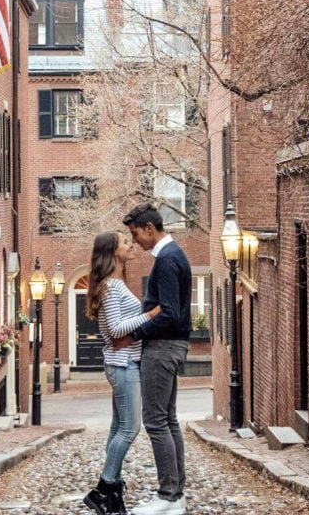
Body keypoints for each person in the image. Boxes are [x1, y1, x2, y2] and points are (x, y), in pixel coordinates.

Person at [116, 204, 192, 515]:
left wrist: (133, 335)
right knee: (168, 420)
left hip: (162, 349)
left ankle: (168, 496)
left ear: (150, 228)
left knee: (156, 421)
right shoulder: (174, 255)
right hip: (171, 347)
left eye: (135, 235)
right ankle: (176, 493)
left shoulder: (166, 260)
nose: (134, 242)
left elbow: (170, 314)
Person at [83, 231, 162, 515]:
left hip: (123, 361)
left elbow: (116, 328)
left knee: (119, 427)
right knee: (130, 428)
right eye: (124, 242)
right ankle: (104, 489)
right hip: (122, 363)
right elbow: (115, 330)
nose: (130, 245)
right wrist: (150, 316)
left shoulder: (113, 284)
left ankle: (112, 494)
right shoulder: (111, 287)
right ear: (113, 252)